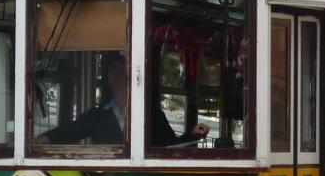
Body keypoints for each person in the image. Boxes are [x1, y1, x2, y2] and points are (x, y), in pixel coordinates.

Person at [42, 53, 209, 146]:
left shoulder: (152, 115)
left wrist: (192, 135)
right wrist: (42, 140)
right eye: (113, 70)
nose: (118, 74)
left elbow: (170, 146)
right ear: (107, 78)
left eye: (122, 70)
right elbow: (71, 131)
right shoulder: (98, 115)